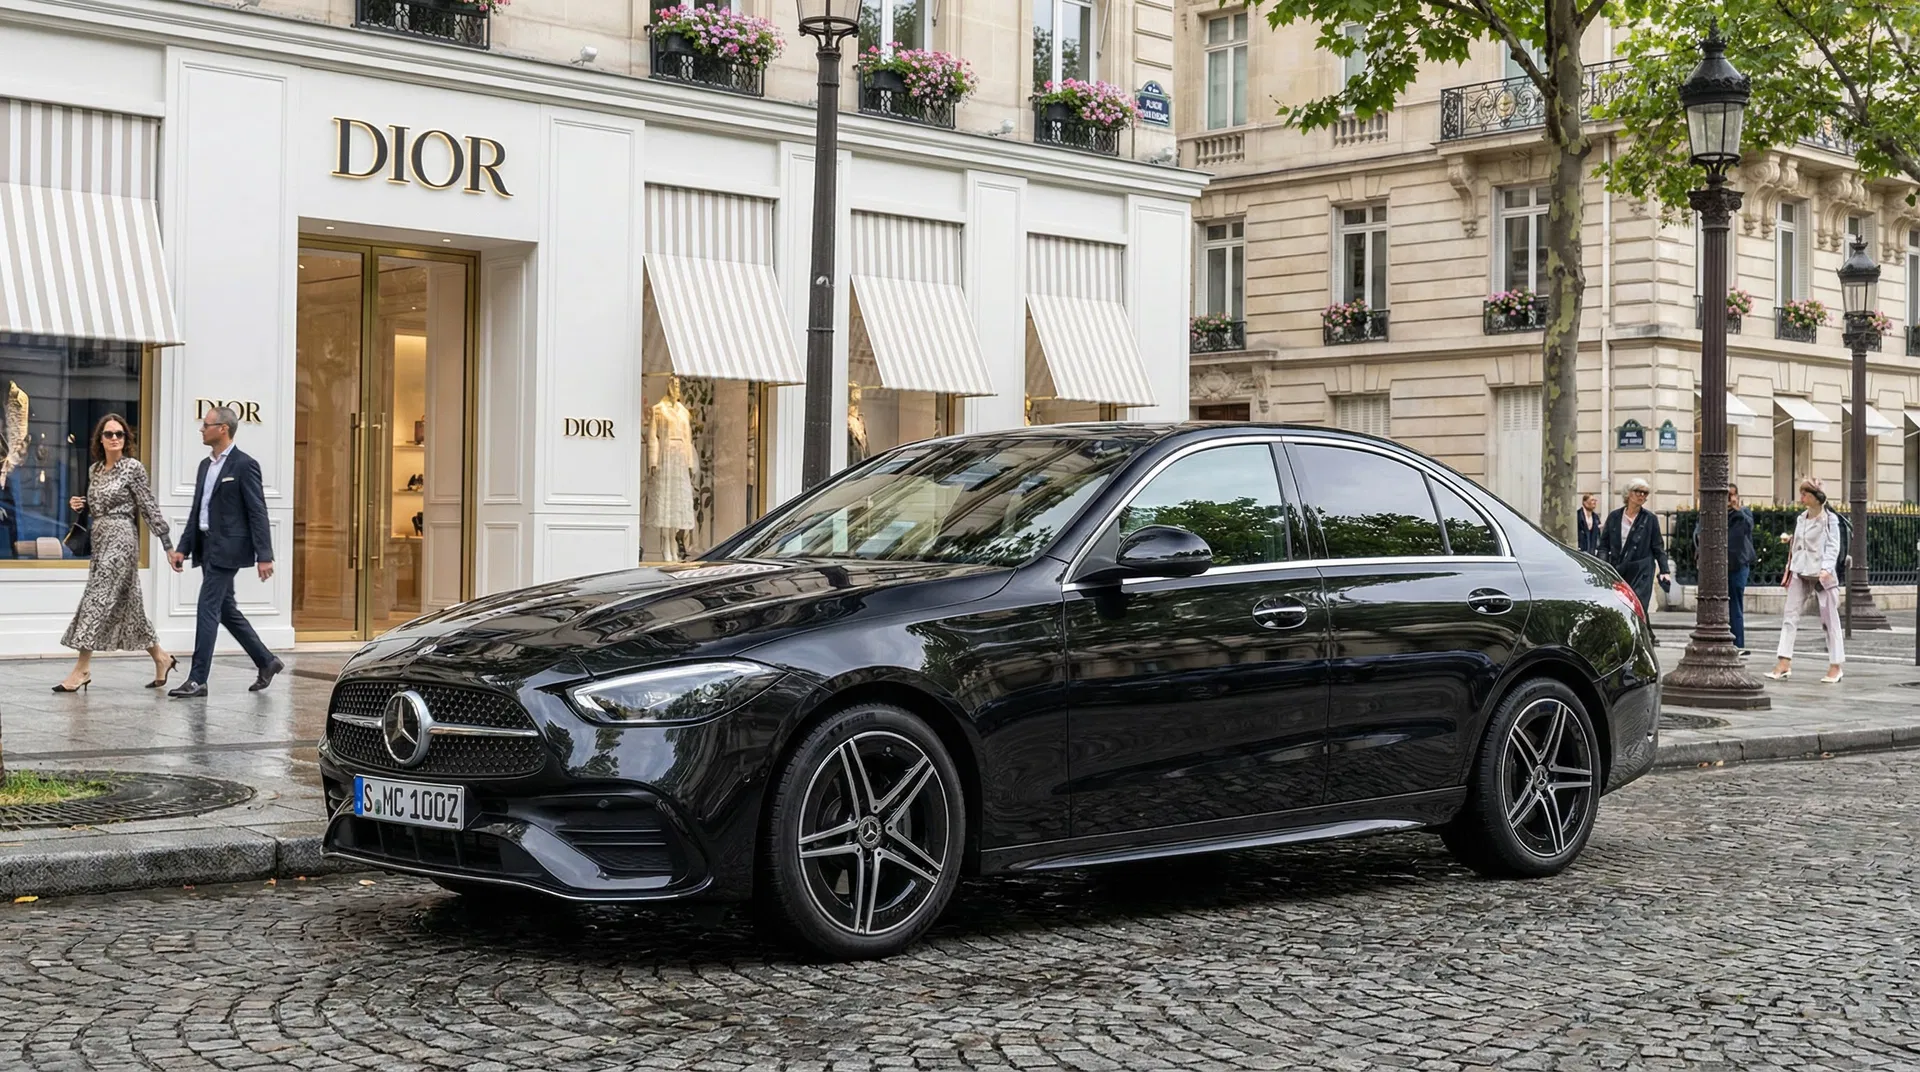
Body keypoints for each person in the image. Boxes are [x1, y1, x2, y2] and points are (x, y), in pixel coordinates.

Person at [52, 415, 180, 692]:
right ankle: (161, 657)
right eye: (109, 434)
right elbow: (99, 503)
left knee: (95, 599)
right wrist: (82, 504)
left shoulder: (133, 468)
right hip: (100, 539)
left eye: (119, 434)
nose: (114, 438)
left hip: (122, 539)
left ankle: (82, 668)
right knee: (129, 605)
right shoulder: (95, 470)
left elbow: (148, 506)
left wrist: (168, 546)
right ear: (100, 439)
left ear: (126, 439)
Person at [168, 406, 283, 698]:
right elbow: (198, 509)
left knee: (207, 608)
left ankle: (198, 680)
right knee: (226, 610)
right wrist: (183, 548)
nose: (202, 430)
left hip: (228, 549)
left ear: (223, 429)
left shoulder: (245, 465)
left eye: (206, 426)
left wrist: (264, 555)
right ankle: (267, 661)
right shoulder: (205, 466)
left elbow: (258, 511)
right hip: (206, 547)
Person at [1767, 477, 1844, 684]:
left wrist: (1827, 569)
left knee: (1830, 620)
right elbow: (1800, 545)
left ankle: (1835, 666)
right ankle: (1784, 662)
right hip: (1799, 571)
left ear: (1816, 498)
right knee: (1789, 615)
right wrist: (1791, 543)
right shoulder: (1801, 518)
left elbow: (1833, 546)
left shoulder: (1830, 519)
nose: (1801, 497)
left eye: (1805, 494)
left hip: (1820, 574)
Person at [1692, 483, 1756, 656]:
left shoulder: (1743, 513)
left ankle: (1738, 644)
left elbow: (1747, 530)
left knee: (1734, 604)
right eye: (1725, 495)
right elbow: (1698, 534)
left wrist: (1737, 510)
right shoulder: (1710, 513)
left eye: (1731, 495)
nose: (1727, 499)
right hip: (1715, 566)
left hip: (1737, 564)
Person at [1599, 478, 1671, 612]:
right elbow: (1604, 545)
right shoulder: (1614, 517)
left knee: (1637, 607)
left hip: (1641, 571)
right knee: (1620, 607)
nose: (1642, 496)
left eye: (1645, 493)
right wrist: (1601, 567)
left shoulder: (1650, 519)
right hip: (1618, 569)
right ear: (1629, 494)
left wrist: (1665, 571)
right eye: (1638, 492)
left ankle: (1640, 632)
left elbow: (1658, 547)